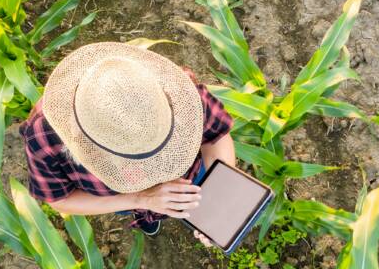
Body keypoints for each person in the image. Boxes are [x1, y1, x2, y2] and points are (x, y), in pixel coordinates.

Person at [20, 42, 236, 239]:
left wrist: (218, 198)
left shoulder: (181, 92)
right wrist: (140, 200)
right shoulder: (44, 136)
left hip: (188, 180)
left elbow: (215, 138)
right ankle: (146, 220)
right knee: (136, 212)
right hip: (121, 199)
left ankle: (153, 218)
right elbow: (61, 200)